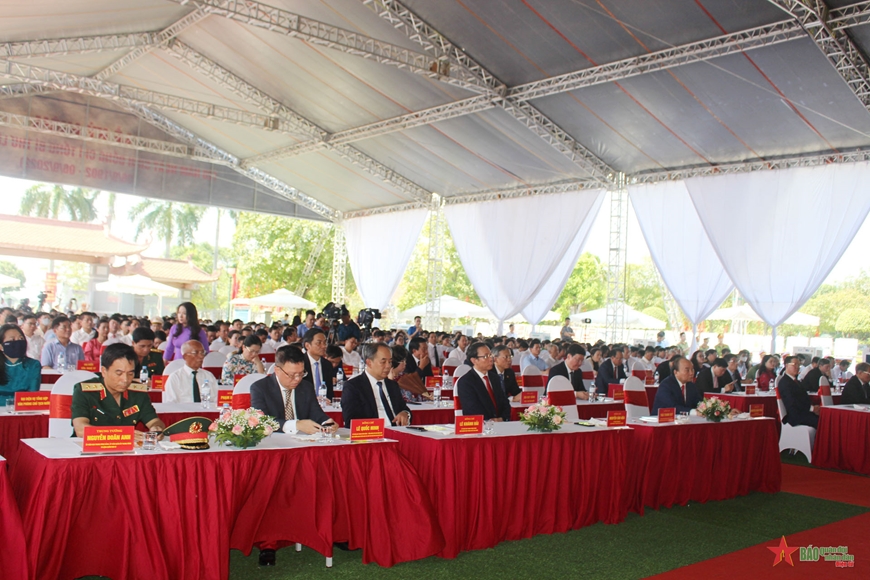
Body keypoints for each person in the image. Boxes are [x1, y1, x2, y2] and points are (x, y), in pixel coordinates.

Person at [71, 343, 165, 439]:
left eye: (130, 374)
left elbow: (154, 421)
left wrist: (156, 428)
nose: (125, 379)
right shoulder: (85, 391)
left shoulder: (138, 392)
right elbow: (81, 430)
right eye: (119, 373)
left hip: (127, 447)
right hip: (89, 446)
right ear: (104, 371)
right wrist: (122, 434)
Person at [341, 342, 412, 426]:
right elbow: (351, 422)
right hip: (372, 431)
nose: (388, 366)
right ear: (369, 363)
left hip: (396, 430)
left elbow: (404, 408)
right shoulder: (353, 386)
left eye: (390, 362)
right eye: (383, 362)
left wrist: (405, 413)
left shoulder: (392, 385)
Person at [456, 342, 511, 421]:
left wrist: (502, 418)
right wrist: (491, 421)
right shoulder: (466, 382)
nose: (491, 359)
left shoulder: (495, 378)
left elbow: (505, 403)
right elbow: (472, 409)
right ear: (474, 360)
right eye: (486, 356)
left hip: (500, 424)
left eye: (490, 355)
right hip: (480, 425)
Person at [778, 355, 819, 429]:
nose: (797, 367)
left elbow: (804, 398)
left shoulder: (796, 381)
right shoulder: (785, 382)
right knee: (822, 421)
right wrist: (812, 408)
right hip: (795, 416)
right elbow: (792, 402)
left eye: (799, 365)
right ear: (786, 365)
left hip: (804, 412)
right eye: (795, 365)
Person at [0, 323, 41, 395]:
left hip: (23, 402)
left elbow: (32, 394)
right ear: (1, 347)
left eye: (21, 338)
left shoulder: (33, 365)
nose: (18, 342)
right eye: (12, 339)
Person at [301, 328, 334, 401]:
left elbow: (329, 392)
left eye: (325, 342)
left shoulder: (327, 364)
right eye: (319, 343)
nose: (324, 346)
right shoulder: (300, 364)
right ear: (307, 345)